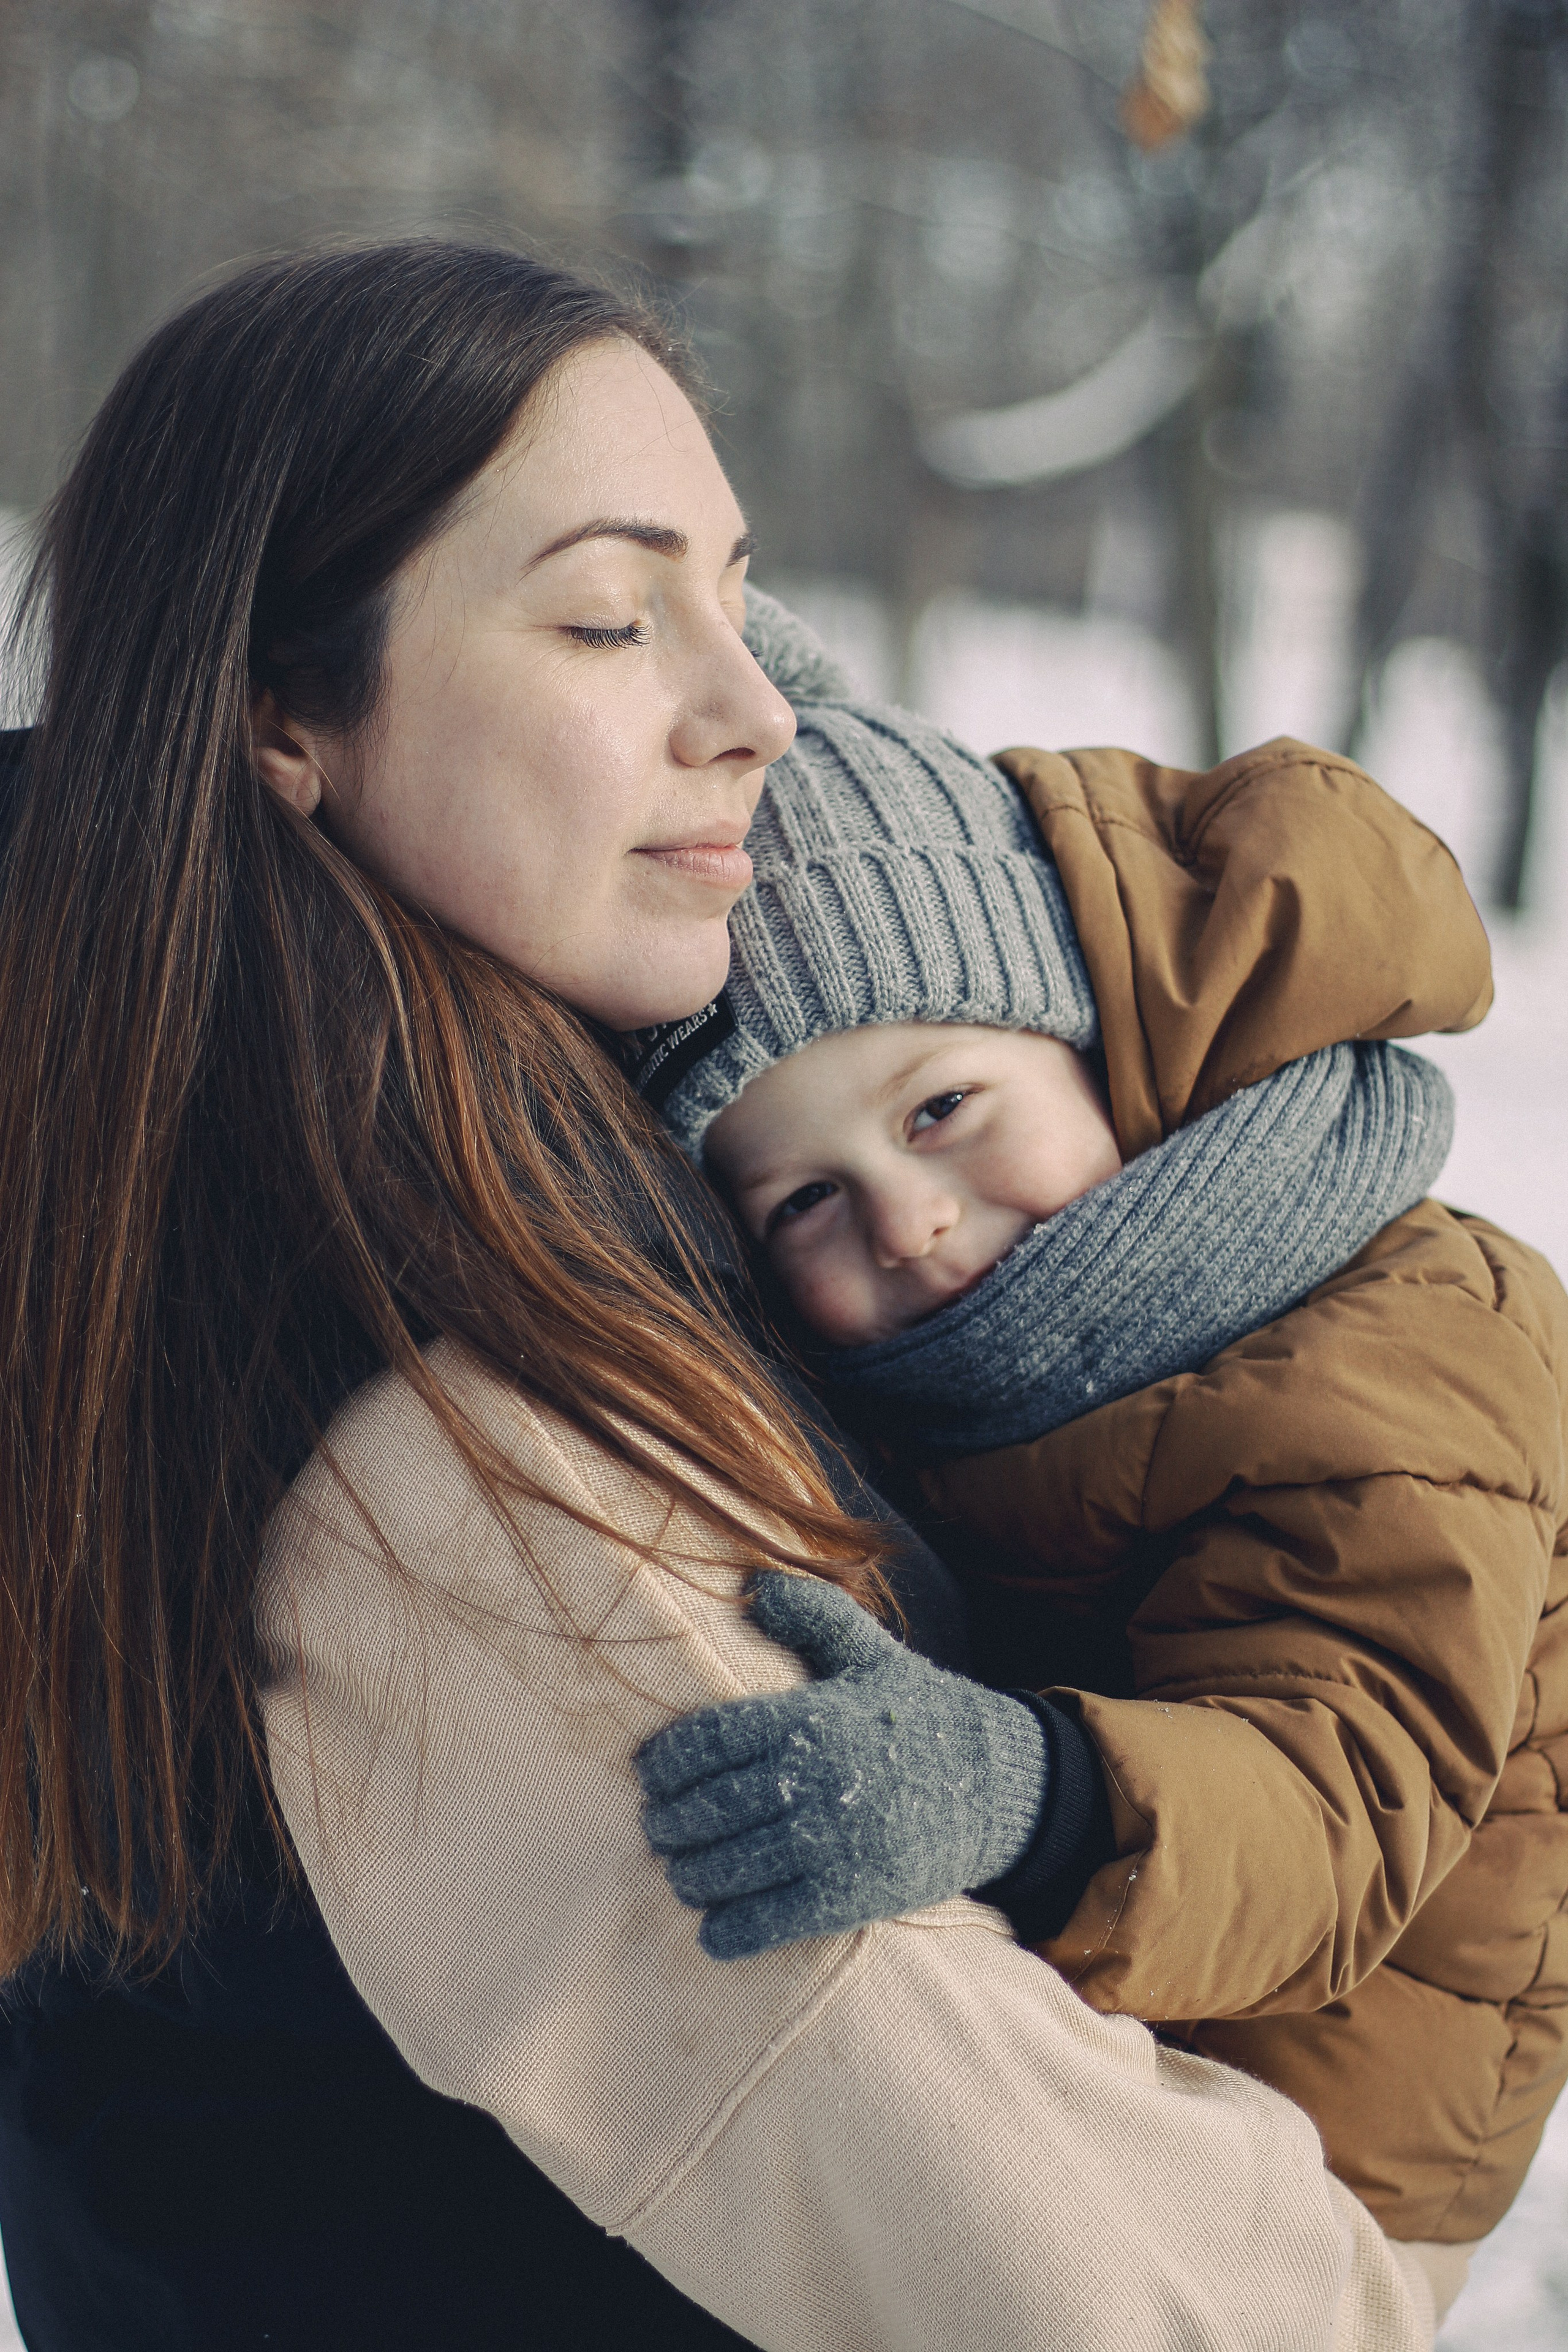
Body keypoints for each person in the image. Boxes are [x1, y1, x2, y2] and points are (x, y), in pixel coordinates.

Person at [0, 239, 1434, 2351]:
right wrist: (1382, 2247)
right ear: (283, 714)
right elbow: (1104, 2285)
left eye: (734, 593)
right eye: (606, 613)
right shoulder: (448, 1449)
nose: (753, 704)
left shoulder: (168, 1199)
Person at [631, 601, 1568, 2328]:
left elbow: (1338, 1795)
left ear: (1090, 1041)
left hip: (1332, 2156)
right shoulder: (979, 1360)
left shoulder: (1398, 1337)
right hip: (1118, 2064)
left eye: (940, 1109)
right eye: (804, 1200)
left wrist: (1020, 1795)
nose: (907, 1218)